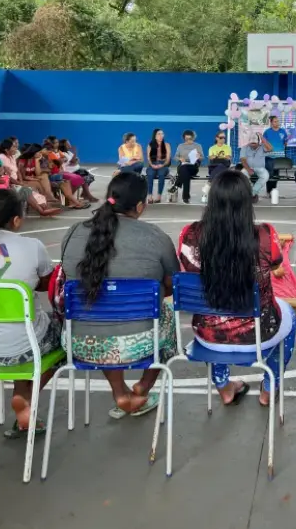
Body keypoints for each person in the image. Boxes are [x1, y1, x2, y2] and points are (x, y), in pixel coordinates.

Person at [60, 172, 179, 416]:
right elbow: (172, 284)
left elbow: (66, 276)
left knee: (99, 314)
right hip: (136, 342)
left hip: (78, 342)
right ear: (139, 205)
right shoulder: (155, 237)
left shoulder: (73, 232)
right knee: (166, 318)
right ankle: (143, 388)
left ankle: (120, 392)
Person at [178, 169, 296, 407]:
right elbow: (275, 262)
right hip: (259, 332)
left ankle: (223, 386)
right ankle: (268, 387)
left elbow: (186, 266)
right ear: (247, 201)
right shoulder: (265, 234)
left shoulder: (190, 234)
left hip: (207, 333)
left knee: (213, 313)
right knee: (291, 317)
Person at [0, 190, 62, 436]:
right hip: (20, 350)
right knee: (63, 341)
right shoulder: (32, 246)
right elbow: (46, 285)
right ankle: (24, 395)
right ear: (16, 220)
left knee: (28, 333)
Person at [0, 140, 59, 218]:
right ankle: (43, 209)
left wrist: (20, 181)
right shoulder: (2, 158)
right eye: (13, 147)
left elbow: (18, 172)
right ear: (6, 149)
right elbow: (7, 176)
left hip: (17, 182)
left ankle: (45, 207)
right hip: (9, 183)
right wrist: (19, 182)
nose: (16, 149)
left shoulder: (12, 157)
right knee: (29, 189)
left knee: (33, 187)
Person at [172, 130, 204, 204]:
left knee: (185, 171)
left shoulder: (197, 146)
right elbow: (175, 157)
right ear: (184, 138)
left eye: (190, 139)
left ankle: (176, 185)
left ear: (193, 138)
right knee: (184, 171)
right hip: (182, 165)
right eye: (186, 139)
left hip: (193, 166)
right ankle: (185, 197)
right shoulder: (180, 146)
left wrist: (199, 157)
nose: (189, 141)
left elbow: (202, 158)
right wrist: (180, 158)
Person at [239, 135, 269, 202]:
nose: (252, 145)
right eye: (251, 143)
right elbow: (243, 160)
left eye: (254, 143)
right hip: (248, 168)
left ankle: (253, 193)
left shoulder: (263, 147)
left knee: (265, 176)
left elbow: (270, 149)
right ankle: (250, 191)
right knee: (242, 174)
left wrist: (263, 139)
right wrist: (248, 169)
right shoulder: (244, 148)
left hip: (260, 168)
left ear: (258, 142)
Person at [262, 115, 288, 194]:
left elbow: (285, 142)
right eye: (275, 121)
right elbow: (264, 143)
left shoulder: (283, 131)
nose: (277, 123)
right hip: (269, 157)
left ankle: (274, 190)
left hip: (279, 157)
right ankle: (268, 191)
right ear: (271, 123)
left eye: (278, 121)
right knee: (269, 174)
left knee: (276, 174)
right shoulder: (267, 132)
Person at [146, 128, 171, 203]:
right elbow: (148, 158)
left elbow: (168, 159)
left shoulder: (167, 145)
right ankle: (150, 196)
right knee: (150, 174)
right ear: (155, 136)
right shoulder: (150, 145)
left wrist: (162, 165)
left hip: (163, 165)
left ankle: (159, 196)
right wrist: (152, 165)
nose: (161, 136)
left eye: (162, 134)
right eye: (159, 134)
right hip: (153, 164)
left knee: (161, 174)